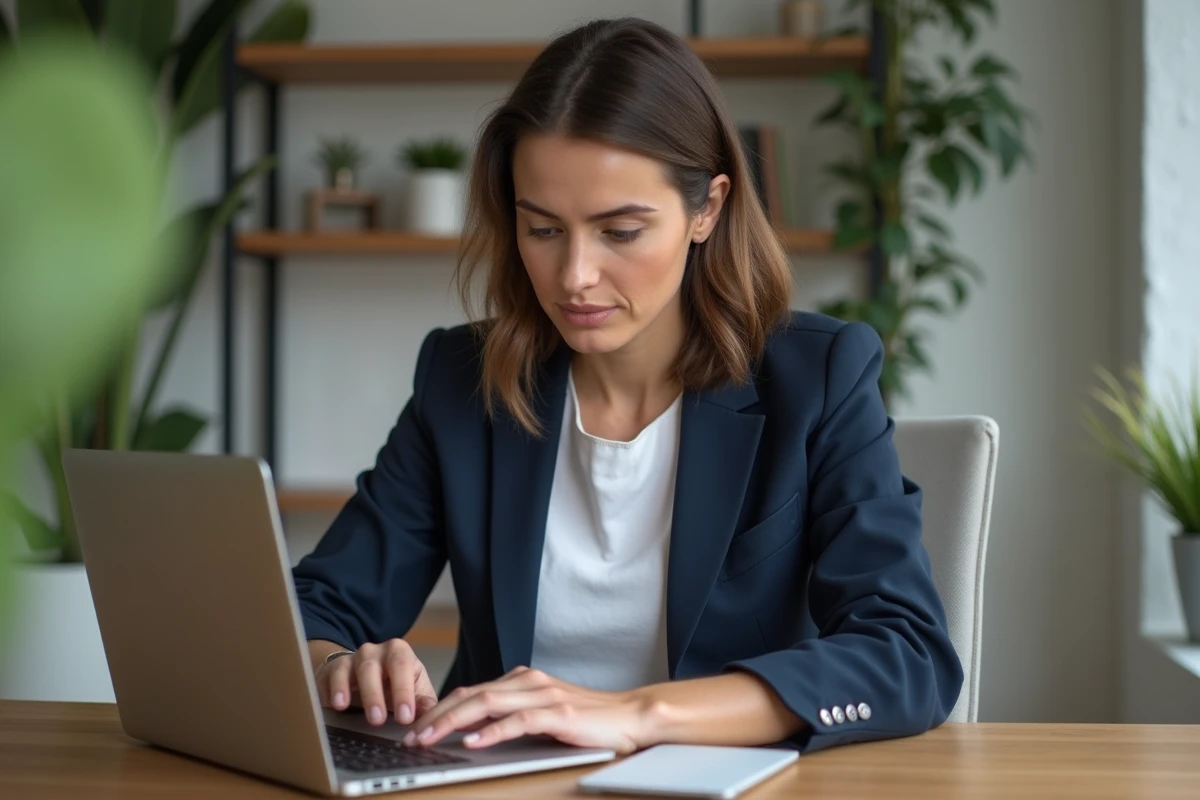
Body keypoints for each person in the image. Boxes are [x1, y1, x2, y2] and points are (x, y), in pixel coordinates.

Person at [292, 16, 962, 756]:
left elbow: (907, 654)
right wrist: (343, 665)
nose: (575, 276)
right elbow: (314, 604)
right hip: (497, 781)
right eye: (543, 230)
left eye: (620, 231)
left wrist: (638, 713)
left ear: (707, 208)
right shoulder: (463, 383)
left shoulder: (818, 378)